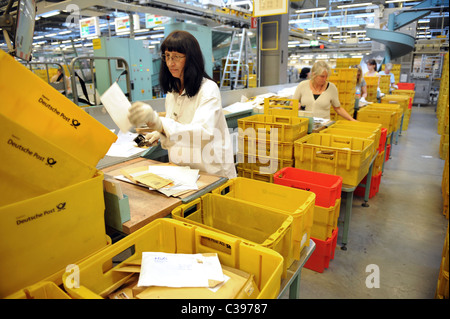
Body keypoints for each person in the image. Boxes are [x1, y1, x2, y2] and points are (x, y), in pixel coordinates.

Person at [128, 30, 236, 179]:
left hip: (210, 171)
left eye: (177, 57)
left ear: (191, 59)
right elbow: (178, 126)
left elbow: (203, 133)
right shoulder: (172, 93)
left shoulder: (208, 89)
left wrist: (161, 124)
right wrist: (161, 133)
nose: (171, 63)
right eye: (167, 56)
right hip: (183, 172)